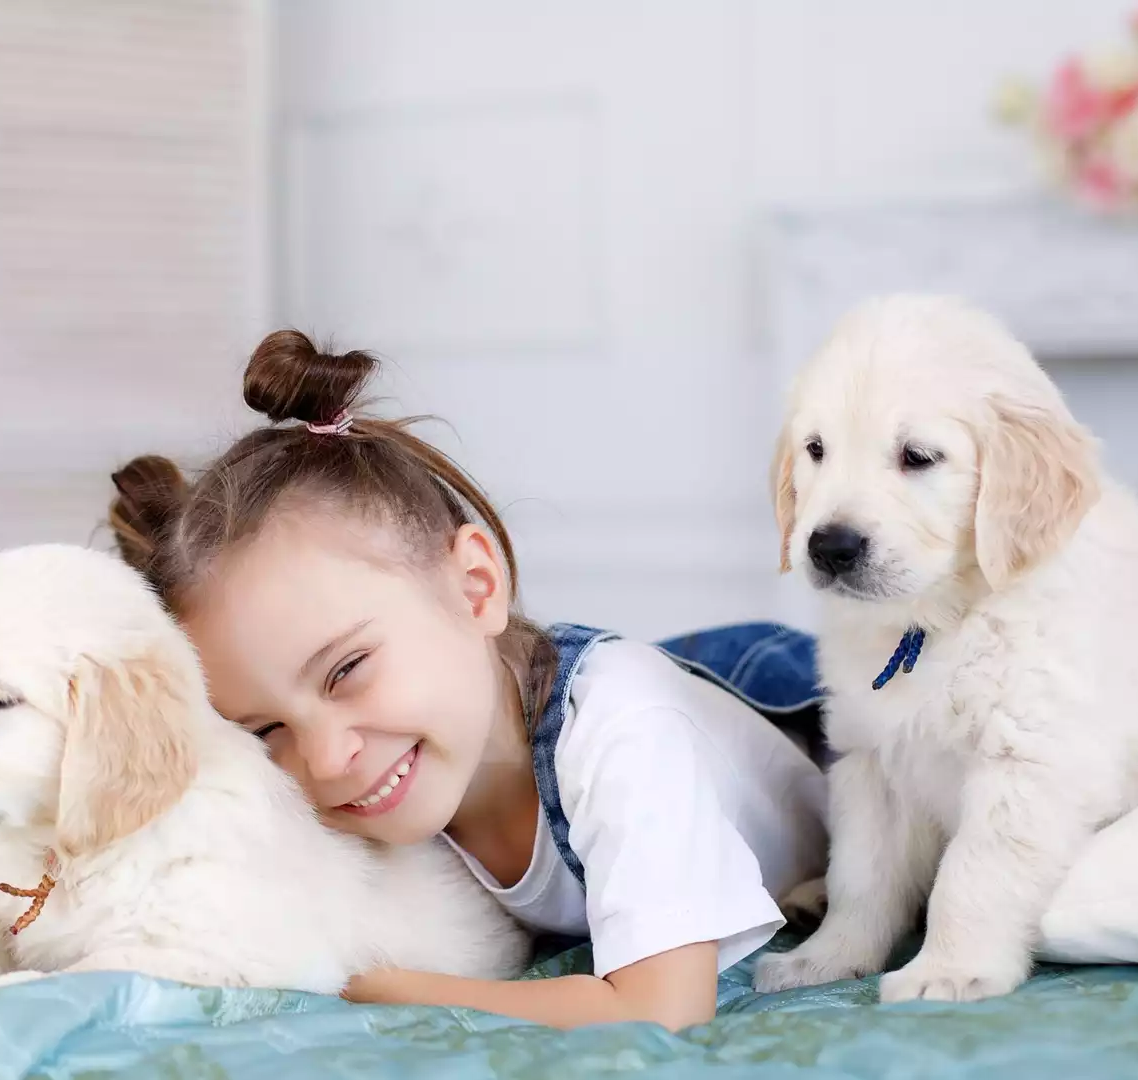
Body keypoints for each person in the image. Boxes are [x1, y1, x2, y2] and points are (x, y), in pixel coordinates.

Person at [106, 330, 829, 1031]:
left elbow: (657, 1010)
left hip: (813, 741)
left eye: (347, 670)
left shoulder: (624, 731)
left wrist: (381, 986)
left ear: (476, 587)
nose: (325, 760)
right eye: (267, 732)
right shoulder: (393, 780)